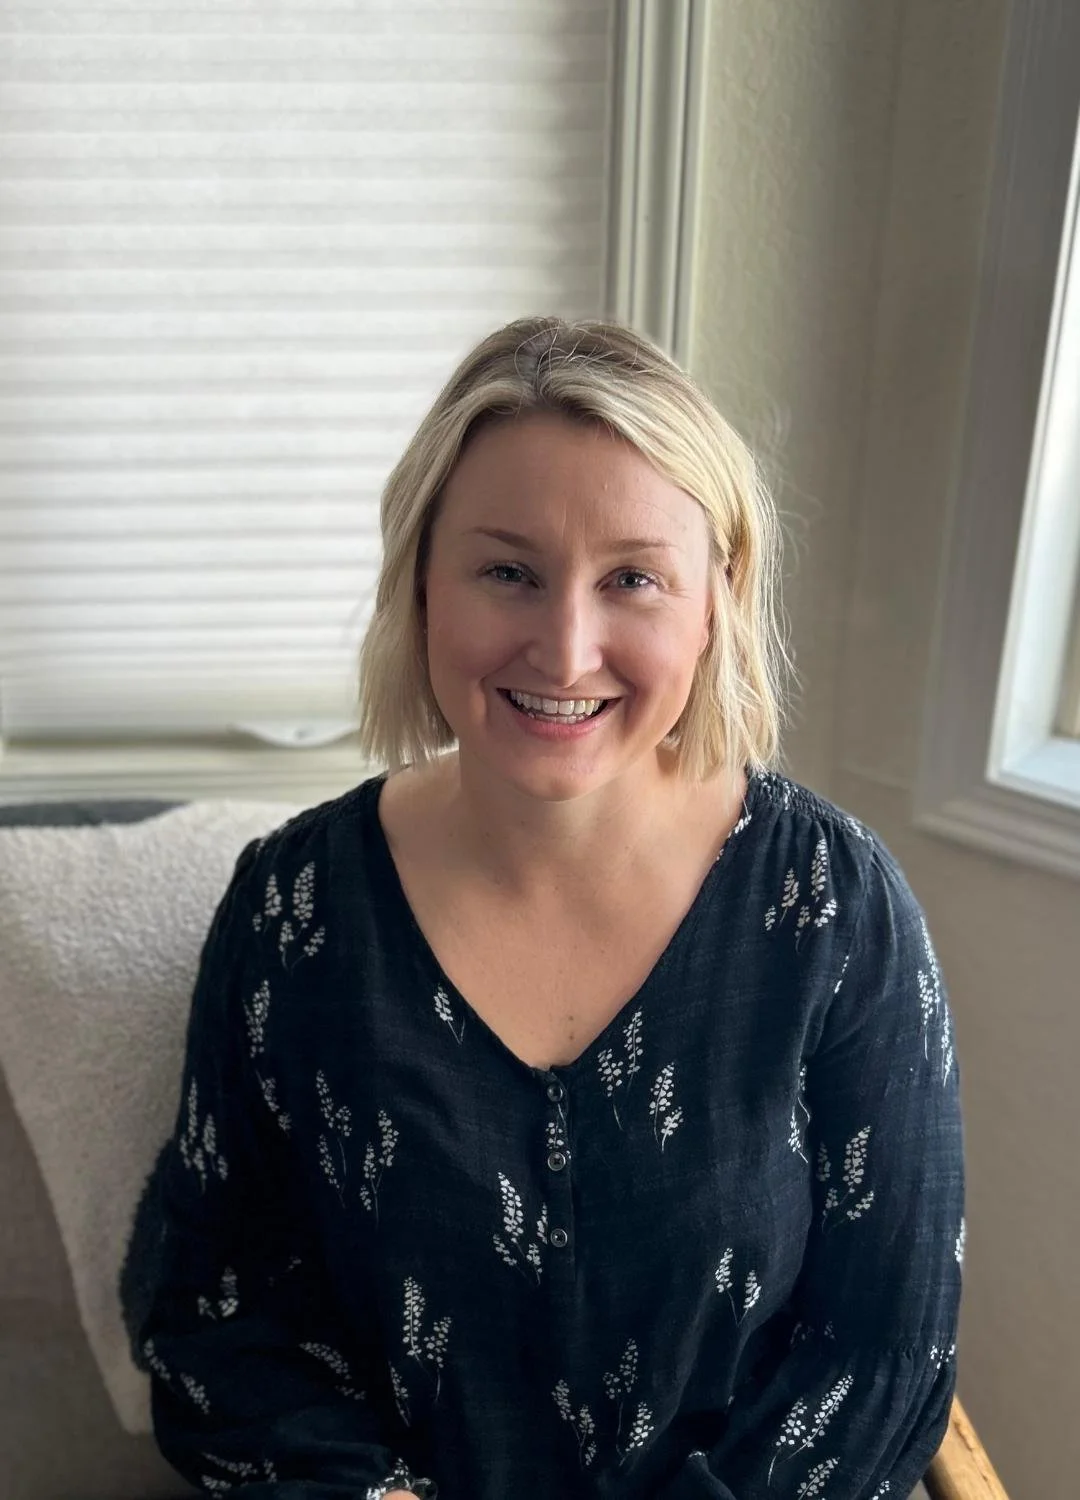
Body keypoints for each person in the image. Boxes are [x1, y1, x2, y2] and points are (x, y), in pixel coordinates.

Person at [126, 316, 965, 1500]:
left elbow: (885, 1350)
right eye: (508, 571)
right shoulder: (292, 909)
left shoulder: (831, 907)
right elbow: (216, 1313)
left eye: (632, 577)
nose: (566, 652)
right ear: (422, 581)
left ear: (716, 599)